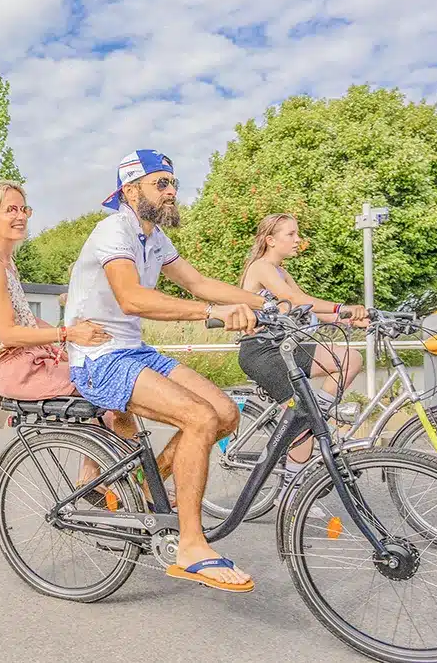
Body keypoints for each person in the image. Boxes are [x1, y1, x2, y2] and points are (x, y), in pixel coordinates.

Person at [64, 149, 265, 592]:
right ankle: (191, 546)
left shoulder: (156, 238)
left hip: (133, 350)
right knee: (198, 417)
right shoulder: (112, 230)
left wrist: (266, 303)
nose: (172, 191)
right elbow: (132, 298)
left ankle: (134, 485)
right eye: (161, 183)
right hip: (99, 357)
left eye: (173, 183)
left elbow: (198, 283)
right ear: (130, 190)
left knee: (225, 412)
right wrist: (213, 312)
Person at [0, 180, 138, 448]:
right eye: (11, 210)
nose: (20, 216)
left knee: (105, 384)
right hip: (18, 371)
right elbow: (8, 333)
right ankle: (130, 480)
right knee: (111, 383)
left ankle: (94, 479)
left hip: (29, 362)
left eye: (24, 209)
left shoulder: (6, 265)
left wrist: (71, 337)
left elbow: (28, 322)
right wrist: (68, 333)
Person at [237, 213, 367, 505]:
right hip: (261, 351)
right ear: (271, 240)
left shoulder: (282, 272)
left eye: (298, 234)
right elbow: (292, 300)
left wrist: (346, 320)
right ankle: (290, 496)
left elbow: (307, 306)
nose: (298, 240)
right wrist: (342, 306)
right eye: (291, 235)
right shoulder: (262, 267)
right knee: (303, 419)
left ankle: (313, 414)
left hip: (283, 347)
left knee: (350, 359)